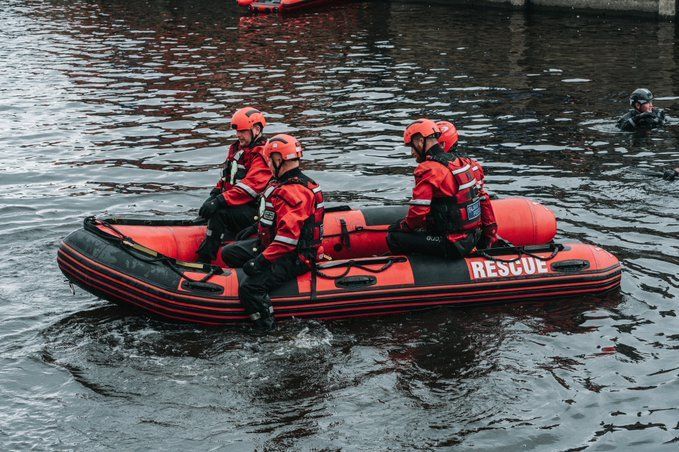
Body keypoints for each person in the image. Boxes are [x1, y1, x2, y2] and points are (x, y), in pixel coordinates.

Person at [221, 134, 324, 331]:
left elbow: (287, 241)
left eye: (269, 159)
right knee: (230, 253)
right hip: (273, 246)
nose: (267, 163)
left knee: (250, 288)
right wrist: (254, 229)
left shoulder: (293, 191)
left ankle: (267, 330)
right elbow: (272, 216)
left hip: (295, 256)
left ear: (279, 159)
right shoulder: (283, 182)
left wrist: (260, 261)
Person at [387, 119, 498, 259]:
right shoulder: (462, 163)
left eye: (412, 146)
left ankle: (421, 271)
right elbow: (482, 200)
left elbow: (418, 212)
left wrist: (404, 227)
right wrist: (489, 236)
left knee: (394, 236)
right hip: (472, 237)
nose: (411, 152)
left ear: (421, 141)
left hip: (452, 242)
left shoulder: (429, 169)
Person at [196, 107, 272, 263]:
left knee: (219, 212)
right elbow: (228, 178)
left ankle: (206, 259)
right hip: (239, 204)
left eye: (242, 131)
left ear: (256, 130)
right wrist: (214, 194)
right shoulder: (238, 149)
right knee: (211, 210)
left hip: (256, 210)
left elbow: (249, 188)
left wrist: (219, 201)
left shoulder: (262, 153)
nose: (238, 135)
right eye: (237, 132)